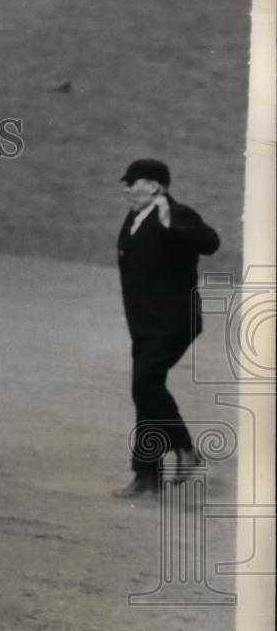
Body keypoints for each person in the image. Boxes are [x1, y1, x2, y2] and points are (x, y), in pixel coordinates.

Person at [114, 159, 220, 498]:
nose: (126, 189)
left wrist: (171, 225)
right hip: (145, 324)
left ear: (155, 186)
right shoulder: (135, 217)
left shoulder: (176, 213)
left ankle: (185, 449)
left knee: (145, 384)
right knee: (145, 391)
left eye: (133, 182)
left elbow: (211, 242)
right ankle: (147, 476)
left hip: (173, 322)